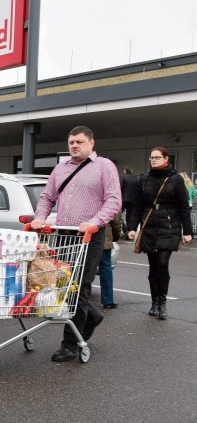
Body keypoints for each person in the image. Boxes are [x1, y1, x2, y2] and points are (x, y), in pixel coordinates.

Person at [31, 126, 121, 362]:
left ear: (91, 142)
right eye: (71, 142)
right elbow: (47, 197)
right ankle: (91, 316)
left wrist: (94, 222)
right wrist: (39, 217)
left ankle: (70, 344)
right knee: (63, 286)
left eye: (79, 142)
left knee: (78, 288)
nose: (74, 146)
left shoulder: (104, 166)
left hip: (89, 236)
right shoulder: (60, 168)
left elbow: (113, 201)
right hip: (64, 235)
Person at [127, 148, 192, 320]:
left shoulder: (176, 179)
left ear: (166, 159)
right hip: (149, 226)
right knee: (153, 266)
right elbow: (137, 206)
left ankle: (162, 303)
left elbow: (184, 207)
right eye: (152, 157)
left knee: (162, 263)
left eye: (157, 157)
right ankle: (154, 302)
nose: (154, 160)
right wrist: (132, 227)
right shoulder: (145, 179)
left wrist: (188, 231)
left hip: (169, 226)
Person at [99, 211, 121, 309]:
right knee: (105, 267)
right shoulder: (111, 196)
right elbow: (116, 221)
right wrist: (115, 236)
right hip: (104, 235)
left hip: (84, 234)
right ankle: (107, 300)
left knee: (83, 267)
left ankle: (79, 297)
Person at [120, 165, 138, 239]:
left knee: (118, 216)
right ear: (132, 171)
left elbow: (119, 188)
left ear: (125, 170)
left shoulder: (122, 177)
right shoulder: (135, 178)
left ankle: (124, 231)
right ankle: (129, 232)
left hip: (123, 200)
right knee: (129, 217)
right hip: (132, 200)